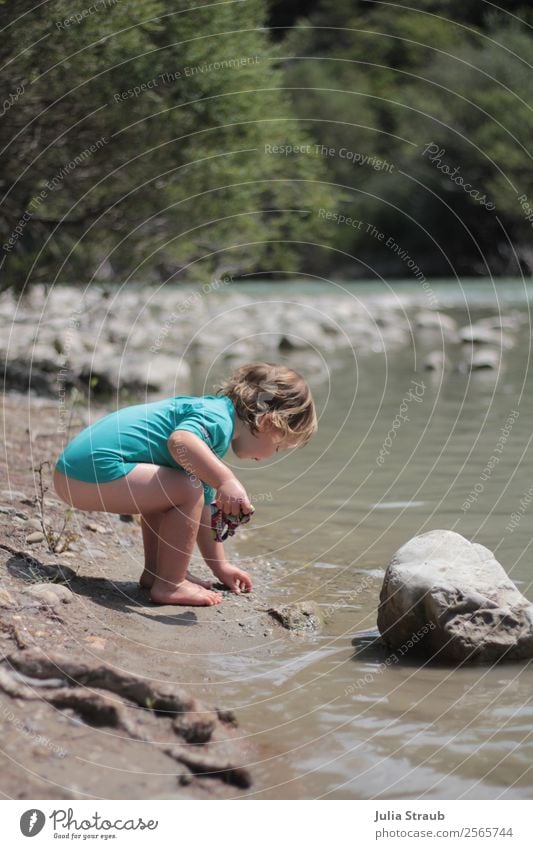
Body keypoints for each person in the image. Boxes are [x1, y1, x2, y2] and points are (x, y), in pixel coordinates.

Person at [53, 362, 317, 606]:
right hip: (91, 472)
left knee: (177, 489)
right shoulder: (217, 420)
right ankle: (170, 584)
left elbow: (203, 509)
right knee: (185, 488)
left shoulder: (214, 420)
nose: (273, 455)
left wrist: (220, 565)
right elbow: (181, 441)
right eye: (279, 446)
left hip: (75, 473)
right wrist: (227, 480)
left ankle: (158, 573)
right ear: (268, 423)